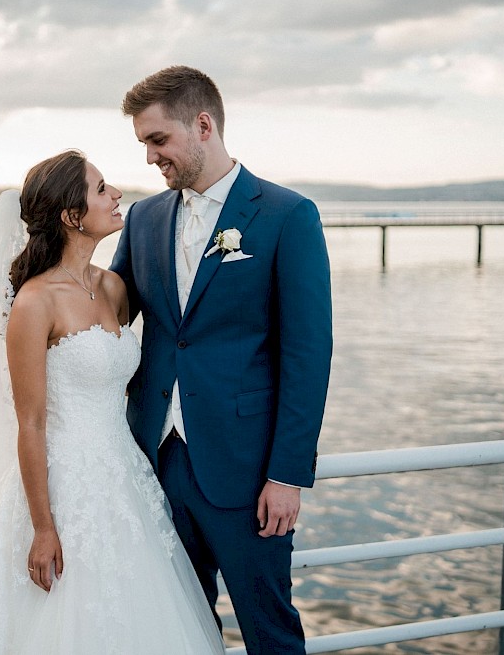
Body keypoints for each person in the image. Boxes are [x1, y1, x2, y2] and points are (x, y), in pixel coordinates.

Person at [0, 150, 225, 654]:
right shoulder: (35, 302)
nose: (117, 193)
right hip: (62, 487)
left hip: (125, 480)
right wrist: (42, 527)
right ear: (70, 216)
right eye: (102, 188)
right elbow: (31, 423)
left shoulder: (114, 287)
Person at [111, 66, 333, 653]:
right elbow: (107, 313)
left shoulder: (288, 216)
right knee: (177, 630)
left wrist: (287, 474)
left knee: (269, 631)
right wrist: (39, 295)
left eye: (158, 140)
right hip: (155, 461)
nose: (151, 158)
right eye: (144, 144)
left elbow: (308, 355)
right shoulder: (144, 218)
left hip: (249, 470)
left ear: (203, 125)